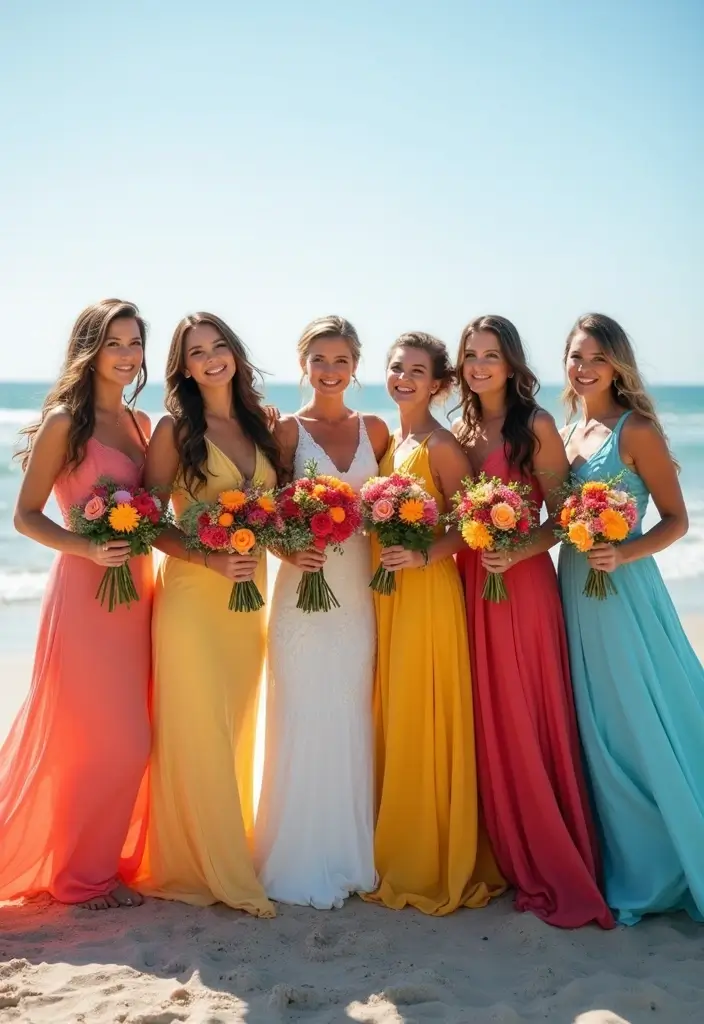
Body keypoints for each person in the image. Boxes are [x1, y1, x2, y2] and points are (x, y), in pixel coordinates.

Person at [452, 315, 613, 929]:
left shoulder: (535, 424)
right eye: (471, 355)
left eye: (491, 355)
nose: (479, 366)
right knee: (489, 713)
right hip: (472, 579)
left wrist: (517, 550)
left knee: (524, 710)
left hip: (520, 583)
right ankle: (504, 849)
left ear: (512, 363)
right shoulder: (461, 428)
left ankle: (552, 854)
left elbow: (562, 515)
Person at [1, 298, 152, 909]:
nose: (126, 355)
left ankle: (99, 865)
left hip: (138, 593)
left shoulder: (142, 424)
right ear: (90, 351)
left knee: (132, 738)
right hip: (86, 593)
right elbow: (25, 515)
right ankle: (80, 878)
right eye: (114, 343)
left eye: (135, 343)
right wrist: (86, 548)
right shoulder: (67, 422)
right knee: (100, 738)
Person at [559, 312, 704, 925]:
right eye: (576, 356)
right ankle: (622, 853)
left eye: (597, 357)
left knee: (635, 719)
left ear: (617, 364)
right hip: (573, 584)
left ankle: (665, 859)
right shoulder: (567, 433)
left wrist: (624, 552)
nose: (585, 367)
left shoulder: (635, 429)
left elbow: (677, 519)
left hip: (623, 590)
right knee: (596, 724)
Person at [135, 312, 279, 916]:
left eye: (220, 346)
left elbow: (277, 510)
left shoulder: (262, 423)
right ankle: (208, 869)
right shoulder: (175, 429)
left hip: (249, 598)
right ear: (185, 368)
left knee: (236, 725)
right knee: (198, 728)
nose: (212, 358)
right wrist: (208, 557)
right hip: (194, 597)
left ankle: (226, 848)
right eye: (198, 352)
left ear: (235, 354)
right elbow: (149, 518)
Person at [362, 332, 505, 916]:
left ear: (439, 384)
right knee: (395, 709)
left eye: (417, 371)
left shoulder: (441, 445)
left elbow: (469, 526)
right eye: (397, 367)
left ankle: (427, 855)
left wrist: (423, 556)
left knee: (421, 712)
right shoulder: (390, 441)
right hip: (388, 594)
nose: (404, 378)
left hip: (426, 594)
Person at [254, 316, 388, 909]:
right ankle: (296, 854)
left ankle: (351, 851)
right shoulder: (285, 430)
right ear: (303, 364)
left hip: (357, 590)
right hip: (301, 589)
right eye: (319, 360)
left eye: (340, 361)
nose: (329, 371)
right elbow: (263, 513)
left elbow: (389, 507)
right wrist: (289, 550)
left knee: (351, 709)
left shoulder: (376, 429)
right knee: (303, 709)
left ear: (355, 366)